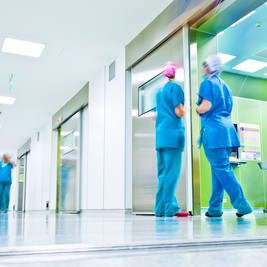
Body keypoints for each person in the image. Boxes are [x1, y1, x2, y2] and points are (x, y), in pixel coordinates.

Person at [196, 54, 252, 217]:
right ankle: (214, 208)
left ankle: (242, 205)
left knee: (223, 170)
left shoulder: (207, 83)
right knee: (218, 170)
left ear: (209, 67)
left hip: (214, 133)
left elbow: (206, 106)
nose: (202, 67)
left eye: (204, 64)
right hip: (227, 132)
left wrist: (196, 108)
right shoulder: (225, 86)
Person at [155, 62, 189, 217]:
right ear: (175, 74)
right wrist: (188, 109)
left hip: (161, 135)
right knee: (171, 173)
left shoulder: (158, 91)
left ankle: (160, 209)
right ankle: (169, 209)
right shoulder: (175, 88)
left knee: (163, 173)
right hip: (173, 135)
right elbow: (178, 111)